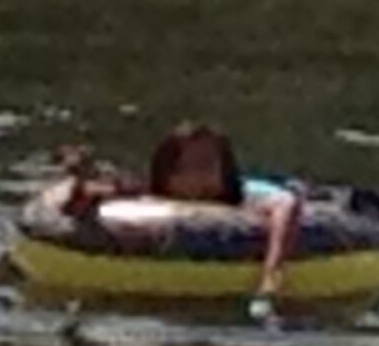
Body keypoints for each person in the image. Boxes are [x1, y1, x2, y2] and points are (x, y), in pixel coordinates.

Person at [59, 121, 301, 300]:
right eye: (187, 168)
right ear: (167, 174)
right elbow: (84, 203)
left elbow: (287, 205)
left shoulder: (242, 195)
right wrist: (80, 183)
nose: (197, 177)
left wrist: (272, 273)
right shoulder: (151, 193)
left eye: (206, 166)